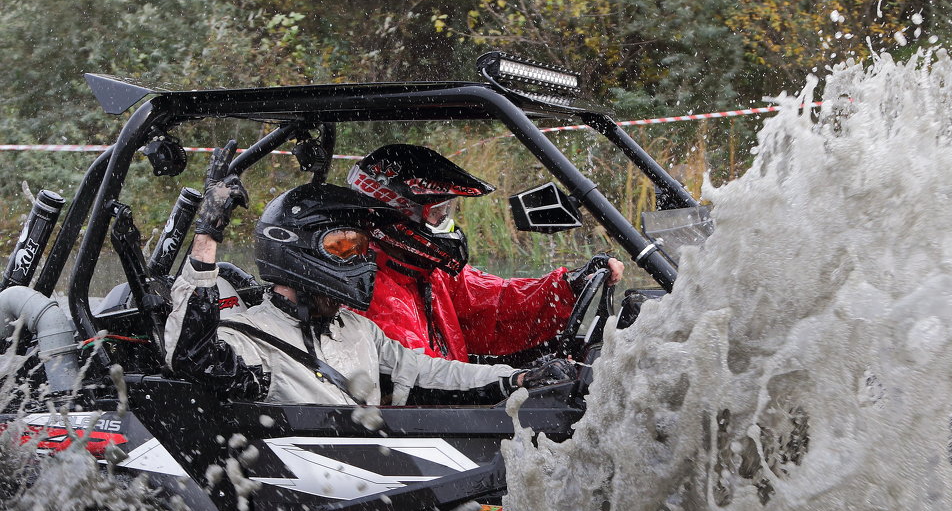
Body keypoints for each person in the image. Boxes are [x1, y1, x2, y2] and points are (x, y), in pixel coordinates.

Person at [165, 141, 573, 405]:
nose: (361, 259)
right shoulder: (253, 342)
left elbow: (434, 373)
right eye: (343, 246)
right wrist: (207, 234)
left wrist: (517, 379)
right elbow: (193, 358)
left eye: (361, 246)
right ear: (296, 250)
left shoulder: (357, 330)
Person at [346, 144, 625, 361]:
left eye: (448, 211)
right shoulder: (371, 294)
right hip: (431, 421)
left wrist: (570, 286)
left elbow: (497, 305)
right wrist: (507, 384)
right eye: (439, 214)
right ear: (399, 215)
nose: (449, 224)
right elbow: (428, 379)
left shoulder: (422, 271)